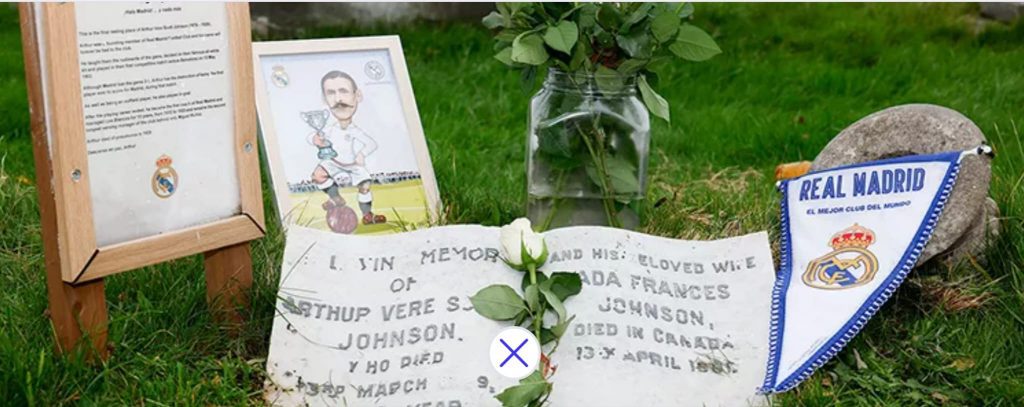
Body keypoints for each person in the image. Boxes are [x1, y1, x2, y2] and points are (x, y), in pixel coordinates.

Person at [309, 70, 386, 225]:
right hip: (332, 161)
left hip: (352, 163)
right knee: (318, 175)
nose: (338, 99)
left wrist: (362, 154)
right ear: (324, 99)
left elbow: (372, 144)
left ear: (357, 95)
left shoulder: (355, 130)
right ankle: (336, 198)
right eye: (331, 93)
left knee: (365, 185)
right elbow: (312, 136)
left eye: (343, 91)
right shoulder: (329, 128)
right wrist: (314, 139)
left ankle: (367, 215)